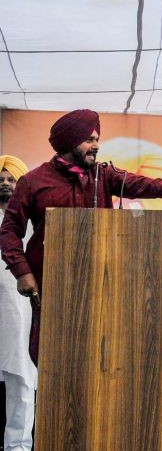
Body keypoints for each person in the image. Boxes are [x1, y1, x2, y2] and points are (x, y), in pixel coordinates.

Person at [0, 109, 162, 365]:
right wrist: (22, 272)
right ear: (69, 141)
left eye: (97, 140)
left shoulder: (104, 176)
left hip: (100, 281)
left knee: (96, 355)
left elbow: (134, 183)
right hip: (51, 284)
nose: (96, 146)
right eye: (89, 139)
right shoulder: (33, 181)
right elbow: (10, 229)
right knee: (50, 356)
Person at [0, 156, 35, 451]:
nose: (6, 184)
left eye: (12, 179)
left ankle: (18, 446)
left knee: (21, 378)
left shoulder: (31, 221)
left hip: (19, 310)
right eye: (1, 179)